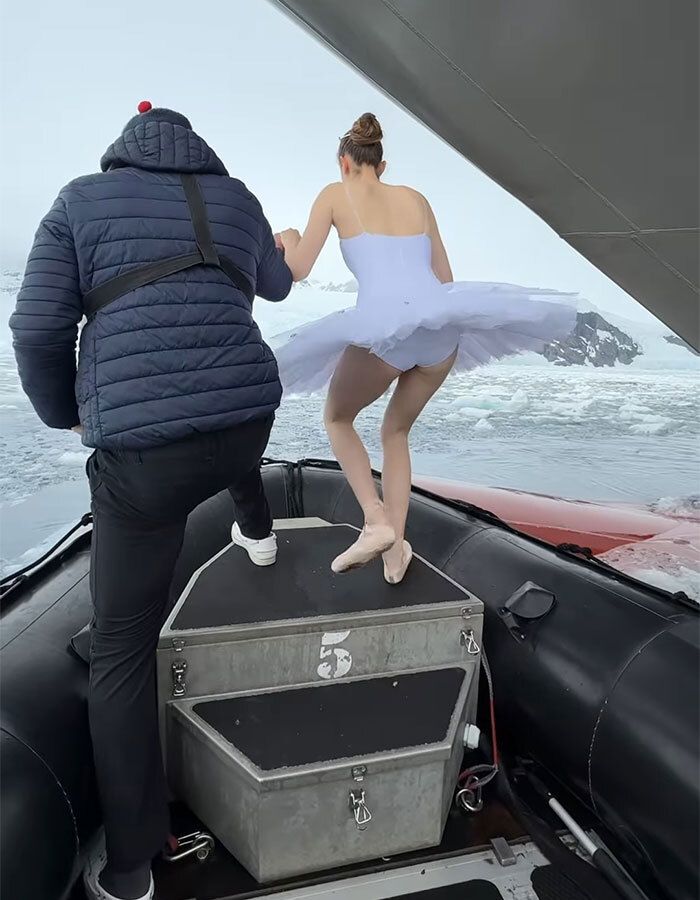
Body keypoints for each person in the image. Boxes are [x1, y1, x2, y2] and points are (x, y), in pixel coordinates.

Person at [9, 102, 292, 900]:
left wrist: (69, 414)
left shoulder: (77, 200)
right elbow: (274, 285)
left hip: (147, 462)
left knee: (123, 649)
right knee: (222, 420)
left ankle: (133, 864)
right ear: (196, 147)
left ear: (122, 152)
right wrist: (268, 249)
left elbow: (36, 329)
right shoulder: (236, 197)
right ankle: (259, 529)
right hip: (246, 421)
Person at [275, 112, 577, 582]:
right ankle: (396, 551)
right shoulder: (416, 200)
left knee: (337, 418)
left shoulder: (335, 195)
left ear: (345, 162)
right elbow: (446, 278)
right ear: (383, 164)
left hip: (388, 332)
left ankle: (376, 521)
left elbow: (297, 269)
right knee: (395, 433)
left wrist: (290, 239)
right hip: (440, 332)